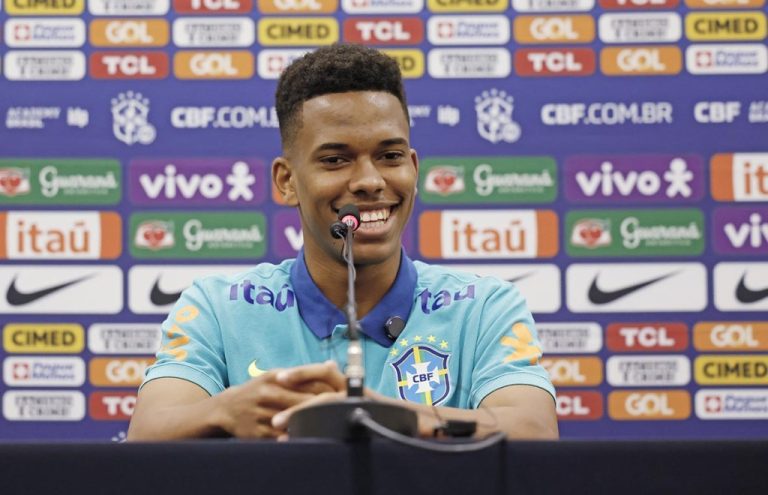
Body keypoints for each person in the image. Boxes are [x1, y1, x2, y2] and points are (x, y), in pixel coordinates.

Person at [127, 44, 558, 441]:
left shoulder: (484, 307)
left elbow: (534, 430)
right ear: (287, 181)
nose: (370, 181)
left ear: (413, 167)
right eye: (335, 160)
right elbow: (147, 434)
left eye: (390, 156)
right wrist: (225, 411)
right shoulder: (218, 309)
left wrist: (376, 416)